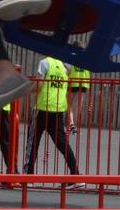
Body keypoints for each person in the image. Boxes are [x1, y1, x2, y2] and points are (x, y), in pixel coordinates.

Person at [24, 53, 81, 184]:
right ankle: (76, 174)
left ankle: (28, 177)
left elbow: (38, 85)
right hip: (57, 109)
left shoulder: (45, 63)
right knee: (63, 144)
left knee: (32, 143)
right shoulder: (64, 66)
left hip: (42, 108)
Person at [67, 55, 91, 134]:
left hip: (73, 82)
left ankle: (72, 124)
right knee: (78, 106)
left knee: (69, 104)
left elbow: (67, 70)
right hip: (83, 83)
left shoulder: (71, 57)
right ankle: (75, 126)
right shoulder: (88, 58)